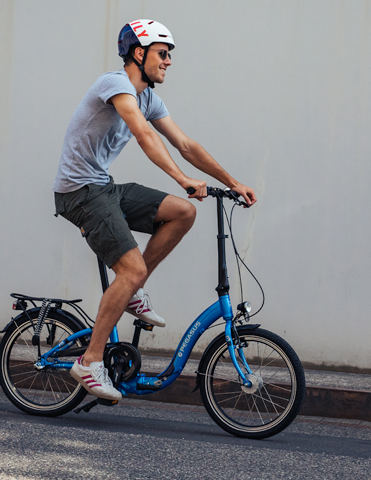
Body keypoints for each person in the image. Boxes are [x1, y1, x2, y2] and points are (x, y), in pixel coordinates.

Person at [53, 19, 257, 400]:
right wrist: (182, 179)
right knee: (131, 269)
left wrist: (232, 183)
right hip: (78, 192)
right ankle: (90, 361)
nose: (168, 62)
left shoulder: (149, 98)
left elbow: (185, 143)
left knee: (183, 213)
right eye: (163, 53)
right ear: (138, 52)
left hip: (103, 187)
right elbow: (144, 135)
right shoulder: (115, 84)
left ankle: (134, 290)